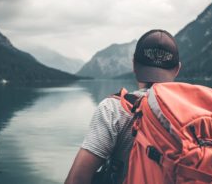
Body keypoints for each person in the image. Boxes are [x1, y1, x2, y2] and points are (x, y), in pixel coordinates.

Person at [64, 29, 181, 184]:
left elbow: (76, 180)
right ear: (177, 69)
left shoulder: (113, 109)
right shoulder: (199, 114)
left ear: (134, 64)